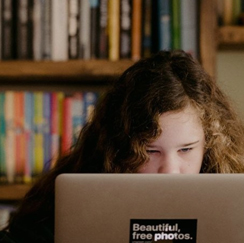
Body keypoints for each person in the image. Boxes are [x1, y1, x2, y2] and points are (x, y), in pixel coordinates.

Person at [1, 50, 244, 242]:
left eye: (186, 149)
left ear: (210, 143)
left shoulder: (232, 201)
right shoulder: (74, 201)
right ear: (120, 145)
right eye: (150, 151)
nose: (170, 170)